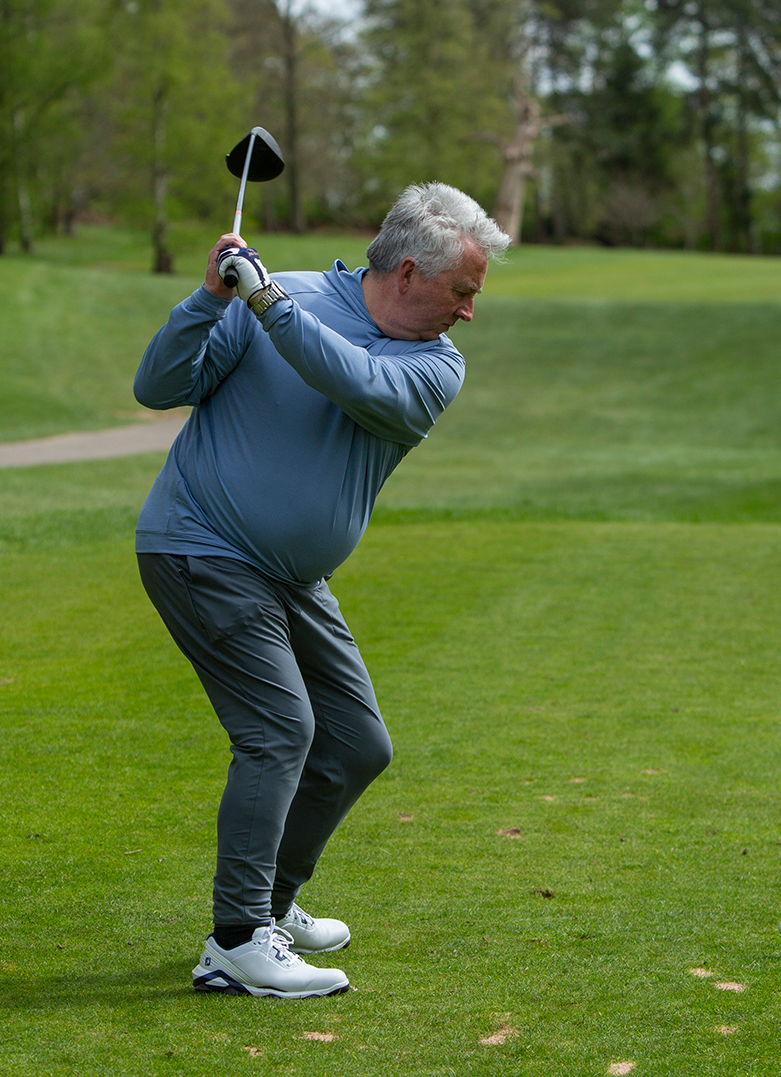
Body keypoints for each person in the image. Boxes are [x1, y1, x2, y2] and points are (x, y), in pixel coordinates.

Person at [131, 181, 508, 999]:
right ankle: (237, 941)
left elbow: (356, 381)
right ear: (408, 272)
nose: (470, 311)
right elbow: (158, 387)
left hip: (294, 577)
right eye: (463, 290)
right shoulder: (274, 297)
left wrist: (265, 302)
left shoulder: (435, 364)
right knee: (279, 728)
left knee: (357, 744)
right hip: (203, 546)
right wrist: (209, 299)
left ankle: (269, 905)